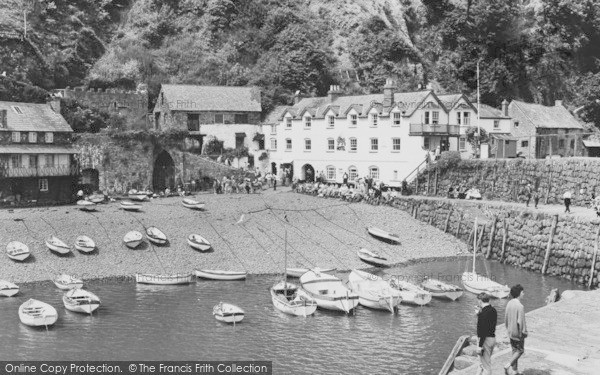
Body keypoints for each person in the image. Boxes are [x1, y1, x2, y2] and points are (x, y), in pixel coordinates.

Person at [504, 284, 528, 375]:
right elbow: (521, 322)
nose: (523, 294)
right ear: (518, 293)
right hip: (517, 333)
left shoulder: (509, 303)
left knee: (514, 351)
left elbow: (506, 318)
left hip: (510, 331)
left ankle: (515, 371)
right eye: (522, 292)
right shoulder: (520, 306)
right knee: (520, 350)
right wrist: (524, 333)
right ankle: (508, 364)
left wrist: (507, 329)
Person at [476, 293, 497, 375]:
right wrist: (478, 314)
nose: (477, 302)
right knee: (481, 363)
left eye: (478, 300)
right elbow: (489, 323)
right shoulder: (493, 310)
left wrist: (480, 346)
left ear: (480, 301)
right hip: (492, 338)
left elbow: (483, 330)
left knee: (486, 366)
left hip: (485, 341)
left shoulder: (483, 313)